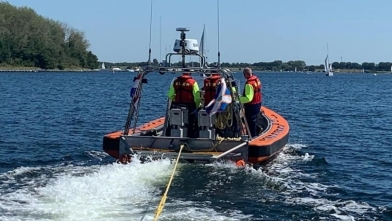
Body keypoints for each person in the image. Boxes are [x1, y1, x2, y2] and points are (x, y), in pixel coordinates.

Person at [167, 69, 200, 137]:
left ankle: (170, 134)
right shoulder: (193, 82)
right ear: (190, 73)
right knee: (191, 122)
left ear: (182, 73)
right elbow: (197, 97)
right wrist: (197, 106)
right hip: (190, 106)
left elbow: (170, 95)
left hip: (177, 105)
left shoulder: (175, 82)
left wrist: (175, 100)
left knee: (174, 120)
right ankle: (190, 135)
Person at [239, 67, 262, 138]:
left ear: (246, 74)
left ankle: (253, 136)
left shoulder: (249, 84)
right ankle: (257, 130)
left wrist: (237, 98)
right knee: (252, 120)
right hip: (258, 103)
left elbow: (248, 98)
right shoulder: (256, 80)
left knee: (250, 121)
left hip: (251, 105)